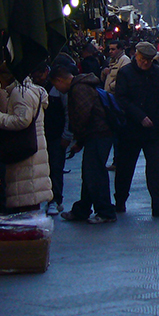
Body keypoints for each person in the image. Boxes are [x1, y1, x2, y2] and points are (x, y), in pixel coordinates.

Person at [113, 41, 159, 217]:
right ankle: (120, 201)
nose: (145, 63)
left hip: (154, 129)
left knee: (154, 168)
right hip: (131, 129)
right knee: (125, 167)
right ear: (136, 56)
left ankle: (158, 205)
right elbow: (122, 99)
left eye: (148, 60)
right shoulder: (126, 73)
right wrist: (139, 116)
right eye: (142, 59)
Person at [53, 57, 117, 224]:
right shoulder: (83, 85)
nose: (57, 89)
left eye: (56, 85)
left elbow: (83, 116)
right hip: (98, 133)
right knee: (91, 172)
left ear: (60, 80)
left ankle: (105, 211)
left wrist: (78, 139)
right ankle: (82, 209)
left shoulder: (78, 89)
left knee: (94, 173)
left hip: (98, 133)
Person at [0, 66, 52, 213]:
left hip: (25, 149)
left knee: (27, 197)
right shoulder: (27, 90)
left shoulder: (20, 93)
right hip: (33, 145)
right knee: (30, 197)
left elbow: (22, 120)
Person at [42, 55, 74, 215]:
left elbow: (68, 112)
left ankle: (55, 199)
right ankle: (49, 199)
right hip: (45, 134)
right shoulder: (48, 86)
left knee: (55, 166)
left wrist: (66, 135)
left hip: (55, 134)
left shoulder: (58, 89)